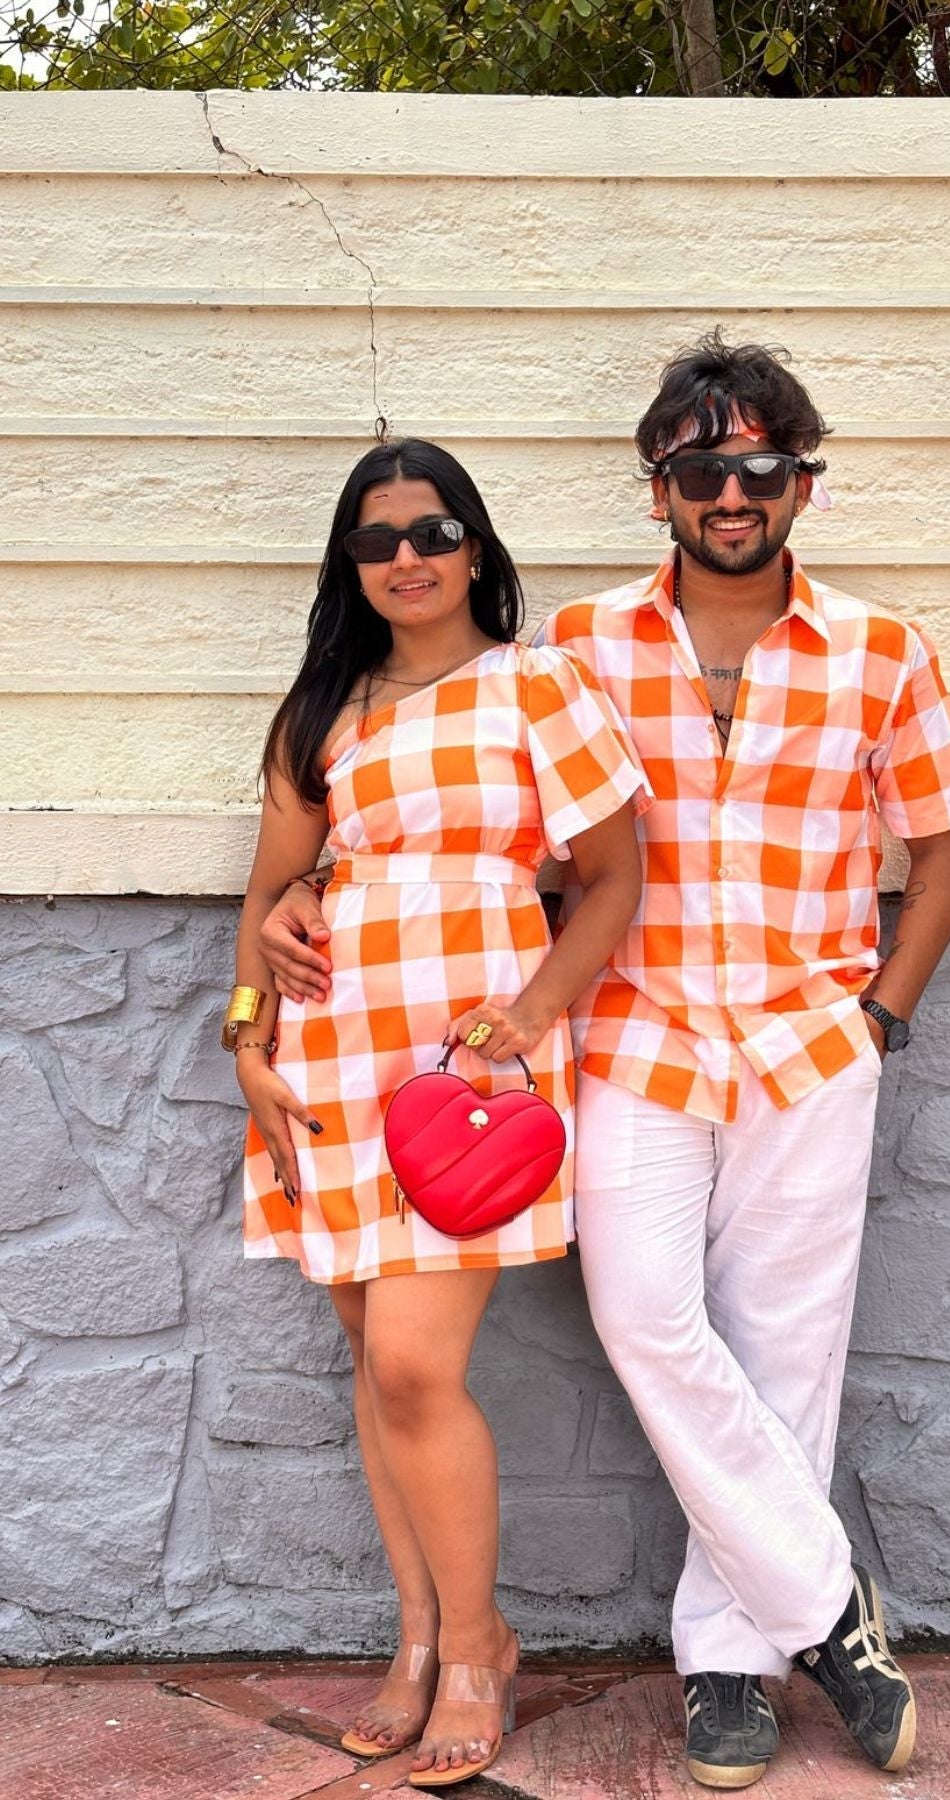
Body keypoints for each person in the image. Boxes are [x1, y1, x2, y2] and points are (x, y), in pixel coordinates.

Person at [260, 337, 950, 1788]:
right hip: (636, 1039)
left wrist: (880, 1017)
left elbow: (947, 846)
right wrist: (302, 896)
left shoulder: (882, 650)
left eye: (761, 464)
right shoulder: (580, 649)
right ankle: (830, 1608)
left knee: (788, 1356)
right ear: (659, 487)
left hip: (810, 1040)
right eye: (702, 466)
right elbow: (456, 792)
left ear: (803, 483)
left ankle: (731, 1663)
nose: (732, 491)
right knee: (647, 1320)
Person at [226, 437, 647, 1787]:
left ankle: (480, 1647)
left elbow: (614, 878)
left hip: (466, 1069)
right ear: (349, 564)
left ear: (474, 548)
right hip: (332, 1059)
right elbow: (268, 896)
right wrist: (247, 1041)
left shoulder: (538, 684)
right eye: (376, 539)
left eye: (432, 531)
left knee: (414, 1364)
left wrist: (531, 1016)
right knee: (374, 1355)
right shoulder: (323, 711)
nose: (405, 557)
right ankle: (418, 1637)